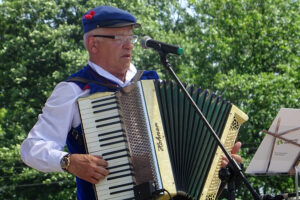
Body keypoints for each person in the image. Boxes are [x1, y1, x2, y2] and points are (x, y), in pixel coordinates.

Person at [20, 5, 242, 200]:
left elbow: (188, 153)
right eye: (118, 38)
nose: (129, 46)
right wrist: (68, 161)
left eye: (131, 37)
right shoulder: (74, 91)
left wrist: (216, 165)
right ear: (93, 44)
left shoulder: (155, 85)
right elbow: (31, 148)